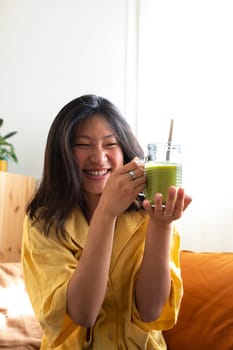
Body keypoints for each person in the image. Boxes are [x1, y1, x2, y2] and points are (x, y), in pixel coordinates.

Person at [21, 94, 192, 350]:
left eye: (110, 144)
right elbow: (83, 313)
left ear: (125, 152)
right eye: (83, 144)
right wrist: (106, 212)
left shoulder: (150, 213)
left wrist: (161, 226)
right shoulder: (42, 223)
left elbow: (151, 311)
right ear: (63, 153)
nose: (98, 157)